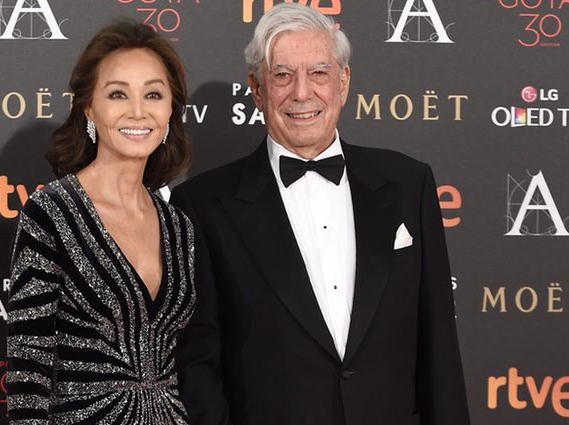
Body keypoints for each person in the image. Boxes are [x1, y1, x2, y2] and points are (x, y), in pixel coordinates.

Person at [170, 4, 470, 425]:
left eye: (319, 73)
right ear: (257, 89)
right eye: (282, 75)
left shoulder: (409, 183)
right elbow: (197, 364)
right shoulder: (202, 207)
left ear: (343, 82)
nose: (301, 93)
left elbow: (439, 345)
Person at [6, 21, 195, 425]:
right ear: (89, 108)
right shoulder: (52, 212)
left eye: (154, 94)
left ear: (169, 111)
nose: (138, 111)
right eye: (118, 94)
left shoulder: (179, 226)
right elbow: (28, 364)